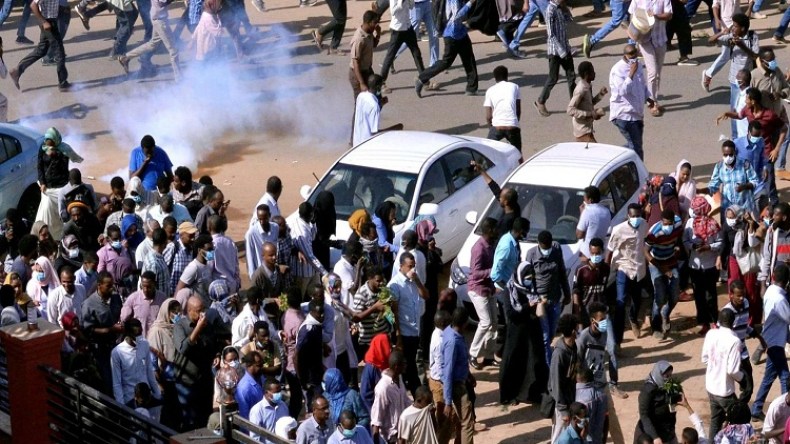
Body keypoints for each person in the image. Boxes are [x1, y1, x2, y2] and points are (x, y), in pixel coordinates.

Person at [173, 296, 230, 431]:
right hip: (187, 382)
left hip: (204, 379)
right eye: (199, 311)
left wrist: (216, 354)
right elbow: (184, 349)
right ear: (189, 310)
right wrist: (198, 328)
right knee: (190, 419)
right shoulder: (180, 326)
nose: (202, 314)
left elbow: (214, 342)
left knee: (205, 416)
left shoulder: (207, 325)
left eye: (203, 310)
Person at [499, 262, 548, 406]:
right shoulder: (509, 291)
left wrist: (540, 304)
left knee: (534, 362)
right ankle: (509, 395)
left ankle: (532, 394)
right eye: (526, 277)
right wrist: (529, 306)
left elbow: (539, 312)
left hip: (532, 330)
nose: (529, 280)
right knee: (513, 362)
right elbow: (511, 313)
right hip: (516, 332)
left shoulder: (532, 288)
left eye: (531, 277)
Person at [702, 13, 758, 138]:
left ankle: (749, 135)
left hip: (749, 81)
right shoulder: (731, 36)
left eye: (735, 26)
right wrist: (723, 33)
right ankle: (735, 138)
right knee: (735, 111)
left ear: (743, 28)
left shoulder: (752, 37)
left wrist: (741, 45)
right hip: (735, 81)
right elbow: (710, 40)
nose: (733, 28)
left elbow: (755, 56)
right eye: (732, 25)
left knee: (750, 109)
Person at [414, 0, 478, 97]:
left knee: (469, 59)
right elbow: (457, 16)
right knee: (446, 62)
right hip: (452, 34)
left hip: (461, 32)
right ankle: (422, 78)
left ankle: (472, 88)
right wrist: (470, 4)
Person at [525, 230, 571, 365]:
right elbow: (528, 280)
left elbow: (562, 272)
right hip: (540, 302)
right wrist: (534, 299)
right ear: (539, 244)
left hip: (555, 299)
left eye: (549, 246)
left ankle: (543, 356)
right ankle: (548, 368)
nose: (547, 250)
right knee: (545, 336)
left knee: (551, 334)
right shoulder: (531, 254)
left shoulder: (556, 251)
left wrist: (567, 293)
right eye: (545, 247)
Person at [751, 264, 790, 421]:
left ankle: (756, 408)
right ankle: (786, 411)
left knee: (769, 377)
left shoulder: (770, 291)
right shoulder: (780, 299)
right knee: (785, 377)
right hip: (775, 343)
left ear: (773, 277)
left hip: (772, 341)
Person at [388, 252, 428, 393]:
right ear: (401, 266)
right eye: (410, 266)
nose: (413, 269)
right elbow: (393, 313)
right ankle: (416, 392)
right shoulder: (394, 285)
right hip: (404, 333)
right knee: (409, 367)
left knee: (412, 364)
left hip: (415, 331)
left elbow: (426, 295)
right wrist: (398, 337)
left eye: (414, 266)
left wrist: (417, 280)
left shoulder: (413, 281)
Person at [8, 0, 69, 91]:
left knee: (42, 49)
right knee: (59, 51)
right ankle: (63, 83)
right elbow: (33, 5)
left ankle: (17, 71)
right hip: (47, 22)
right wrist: (44, 22)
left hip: (51, 20)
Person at [683, 195, 723, 334]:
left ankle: (713, 321)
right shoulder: (689, 224)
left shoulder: (713, 224)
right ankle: (703, 322)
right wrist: (693, 246)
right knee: (699, 296)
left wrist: (708, 247)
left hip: (710, 265)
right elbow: (685, 241)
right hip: (695, 266)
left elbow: (719, 242)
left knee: (710, 295)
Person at [701, 309, 744, 437]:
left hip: (711, 387)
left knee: (715, 421)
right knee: (740, 420)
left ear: (719, 321)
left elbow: (704, 359)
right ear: (734, 322)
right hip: (724, 391)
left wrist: (717, 368)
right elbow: (733, 370)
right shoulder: (734, 341)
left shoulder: (711, 334)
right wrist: (743, 379)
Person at [35, 128, 83, 240]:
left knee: (62, 214)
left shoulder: (63, 150)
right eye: (46, 140)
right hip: (47, 189)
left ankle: (61, 237)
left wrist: (56, 155)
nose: (47, 142)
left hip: (60, 188)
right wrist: (42, 182)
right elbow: (40, 166)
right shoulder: (43, 148)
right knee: (46, 213)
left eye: (50, 141)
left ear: (55, 141)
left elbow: (63, 167)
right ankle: (46, 237)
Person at [609, 45, 656, 160]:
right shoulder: (617, 70)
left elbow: (642, 85)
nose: (634, 56)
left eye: (635, 53)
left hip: (637, 114)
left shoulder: (638, 65)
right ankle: (641, 175)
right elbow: (622, 91)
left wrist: (648, 99)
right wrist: (631, 74)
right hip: (624, 115)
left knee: (634, 145)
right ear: (625, 55)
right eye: (631, 54)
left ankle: (614, 158)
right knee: (636, 148)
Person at [82, 272, 124, 394]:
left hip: (118, 346)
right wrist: (111, 329)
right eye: (108, 286)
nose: (112, 289)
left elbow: (120, 315)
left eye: (113, 285)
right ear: (99, 285)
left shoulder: (116, 298)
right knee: (109, 383)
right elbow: (88, 330)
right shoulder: (89, 304)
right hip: (101, 351)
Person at [117, 0, 180, 80]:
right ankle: (179, 78)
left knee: (152, 43)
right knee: (173, 50)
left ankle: (125, 57)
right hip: (160, 20)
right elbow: (162, 2)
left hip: (157, 17)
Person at [645, 209, 684, 339]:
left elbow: (678, 238)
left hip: (671, 260)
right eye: (665, 223)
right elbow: (645, 251)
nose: (667, 227)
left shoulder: (678, 224)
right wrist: (662, 268)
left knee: (675, 294)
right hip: (656, 264)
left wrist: (677, 247)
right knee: (659, 296)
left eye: (670, 224)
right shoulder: (654, 233)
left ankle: (665, 314)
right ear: (661, 221)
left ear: (673, 221)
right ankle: (656, 327)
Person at [533, 0, 575, 117]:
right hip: (555, 51)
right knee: (553, 78)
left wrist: (566, 10)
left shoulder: (560, 8)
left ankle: (574, 103)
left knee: (571, 76)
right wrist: (561, 51)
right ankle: (541, 101)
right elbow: (551, 34)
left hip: (565, 48)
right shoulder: (550, 10)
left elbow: (568, 22)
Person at [111, 318, 161, 410]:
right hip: (130, 399)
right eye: (136, 335)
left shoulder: (144, 344)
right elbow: (117, 382)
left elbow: (149, 370)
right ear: (128, 334)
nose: (139, 338)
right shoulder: (117, 352)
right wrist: (121, 406)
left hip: (146, 396)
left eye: (140, 333)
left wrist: (157, 394)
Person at [721, 280, 759, 404]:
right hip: (733, 355)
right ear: (731, 295)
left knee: (748, 387)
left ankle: (738, 409)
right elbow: (720, 334)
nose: (742, 298)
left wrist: (758, 336)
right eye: (738, 295)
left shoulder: (746, 303)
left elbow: (744, 325)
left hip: (743, 352)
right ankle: (737, 411)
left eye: (743, 294)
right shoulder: (726, 313)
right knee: (747, 386)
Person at [467, 217, 496, 370]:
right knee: (485, 322)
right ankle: (473, 354)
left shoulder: (491, 245)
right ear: (489, 230)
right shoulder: (478, 248)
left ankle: (489, 356)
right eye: (495, 229)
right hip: (477, 289)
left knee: (494, 324)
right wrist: (492, 272)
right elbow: (475, 273)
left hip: (488, 288)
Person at [147, 298, 180, 429]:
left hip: (177, 376)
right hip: (165, 380)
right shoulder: (157, 331)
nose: (177, 315)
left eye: (179, 311)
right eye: (174, 312)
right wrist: (159, 384)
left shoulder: (176, 328)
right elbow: (153, 361)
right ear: (166, 312)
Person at [377, 0, 424, 91]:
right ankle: (382, 82)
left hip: (407, 27)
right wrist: (401, 1)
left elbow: (411, 7)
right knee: (390, 56)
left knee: (416, 53)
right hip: (397, 30)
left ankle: (424, 79)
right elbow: (393, 11)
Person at [549, 314, 579, 443]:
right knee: (558, 437)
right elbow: (556, 384)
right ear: (573, 331)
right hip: (562, 404)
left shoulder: (573, 347)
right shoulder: (559, 354)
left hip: (571, 400)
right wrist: (563, 410)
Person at [707, 140, 759, 214]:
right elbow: (713, 184)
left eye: (730, 155)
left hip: (743, 206)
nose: (728, 157)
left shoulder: (745, 164)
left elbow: (755, 181)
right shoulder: (719, 166)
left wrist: (745, 186)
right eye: (725, 155)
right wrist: (706, 190)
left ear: (734, 152)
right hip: (727, 207)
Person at [371, 350, 411, 444]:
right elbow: (376, 419)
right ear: (397, 366)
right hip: (390, 437)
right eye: (403, 364)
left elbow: (405, 400)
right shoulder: (383, 388)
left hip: (402, 432)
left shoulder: (399, 378)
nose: (406, 366)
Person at [352, 73, 404, 146]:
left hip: (357, 142)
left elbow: (369, 113)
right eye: (382, 85)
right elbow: (374, 133)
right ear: (378, 87)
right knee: (399, 128)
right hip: (367, 146)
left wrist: (381, 104)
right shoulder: (374, 105)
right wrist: (393, 129)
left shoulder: (361, 96)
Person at [635, 361, 678, 442]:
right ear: (659, 374)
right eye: (666, 376)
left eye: (670, 375)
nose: (668, 379)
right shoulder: (647, 391)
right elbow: (644, 415)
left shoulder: (667, 386)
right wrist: (655, 437)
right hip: (650, 434)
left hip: (666, 430)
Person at [292, 202, 329, 297]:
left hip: (312, 271)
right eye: (312, 214)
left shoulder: (305, 222)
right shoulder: (301, 234)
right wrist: (324, 272)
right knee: (300, 298)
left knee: (318, 295)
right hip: (303, 273)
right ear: (309, 215)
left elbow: (312, 238)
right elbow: (309, 256)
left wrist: (313, 224)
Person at [297, 300, 327, 411]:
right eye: (320, 313)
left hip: (317, 373)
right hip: (309, 378)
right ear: (312, 312)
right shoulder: (307, 330)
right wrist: (303, 380)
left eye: (323, 312)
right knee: (313, 406)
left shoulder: (317, 324)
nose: (322, 315)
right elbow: (297, 356)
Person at [567, 61, 608, 142]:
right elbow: (570, 110)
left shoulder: (587, 85)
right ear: (586, 74)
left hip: (587, 129)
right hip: (583, 131)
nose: (594, 73)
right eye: (592, 71)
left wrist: (601, 94)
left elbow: (589, 102)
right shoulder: (581, 89)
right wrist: (590, 114)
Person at [484, 65, 521, 151]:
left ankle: (481, 164)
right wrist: (514, 122)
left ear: (495, 78)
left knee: (486, 152)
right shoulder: (515, 86)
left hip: (497, 126)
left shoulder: (490, 90)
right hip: (512, 125)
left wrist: (491, 128)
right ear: (507, 76)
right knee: (517, 153)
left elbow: (488, 116)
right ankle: (520, 163)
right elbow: (518, 110)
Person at [572, 238, 610, 323]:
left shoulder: (606, 268)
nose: (595, 256)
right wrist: (577, 314)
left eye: (598, 253)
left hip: (601, 310)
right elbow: (575, 292)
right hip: (586, 311)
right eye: (593, 253)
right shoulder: (581, 269)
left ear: (602, 251)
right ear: (589, 251)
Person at [281, 287, 306, 418]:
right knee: (297, 398)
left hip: (288, 361)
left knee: (295, 396)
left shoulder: (286, 314)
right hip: (296, 365)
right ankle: (291, 421)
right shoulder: (300, 321)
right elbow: (300, 349)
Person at [120, 271, 167, 337]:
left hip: (156, 340)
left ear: (155, 284)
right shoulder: (133, 298)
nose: (146, 290)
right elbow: (124, 319)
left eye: (149, 287)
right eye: (143, 286)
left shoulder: (162, 299)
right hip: (139, 341)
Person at [734, 122, 770, 201]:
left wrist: (764, 168)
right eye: (754, 136)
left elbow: (762, 157)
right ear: (748, 132)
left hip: (757, 181)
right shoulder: (737, 143)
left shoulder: (761, 141)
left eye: (758, 135)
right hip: (742, 182)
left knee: (762, 201)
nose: (756, 138)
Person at [577, 186, 611, 261]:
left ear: (590, 200)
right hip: (601, 253)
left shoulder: (587, 212)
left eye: (584, 198)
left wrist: (582, 214)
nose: (583, 201)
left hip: (588, 254)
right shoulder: (606, 211)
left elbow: (579, 235)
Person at [245, 204, 279, 278]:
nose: (262, 222)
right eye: (259, 219)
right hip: (261, 275)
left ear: (269, 215)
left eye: (264, 219)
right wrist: (253, 277)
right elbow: (250, 256)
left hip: (274, 272)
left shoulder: (275, 228)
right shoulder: (251, 233)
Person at [360, 333, 391, 411]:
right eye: (387, 344)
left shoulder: (385, 362)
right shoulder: (370, 367)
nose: (389, 348)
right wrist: (373, 412)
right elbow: (365, 394)